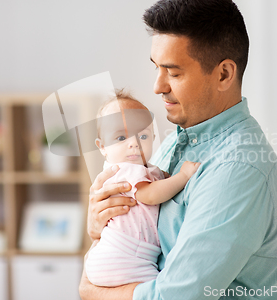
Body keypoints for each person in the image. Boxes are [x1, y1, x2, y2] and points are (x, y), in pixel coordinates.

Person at [79, 0, 277, 300]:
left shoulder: (237, 169)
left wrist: (91, 289)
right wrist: (99, 228)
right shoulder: (172, 144)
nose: (157, 86)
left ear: (223, 74)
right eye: (157, 67)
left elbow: (176, 296)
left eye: (173, 72)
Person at [85, 91, 200, 286]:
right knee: (160, 290)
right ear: (102, 146)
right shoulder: (125, 170)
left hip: (126, 255)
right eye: (121, 138)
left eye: (143, 135)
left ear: (153, 137)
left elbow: (159, 180)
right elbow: (150, 195)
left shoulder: (144, 169)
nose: (134, 144)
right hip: (124, 255)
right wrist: (184, 176)